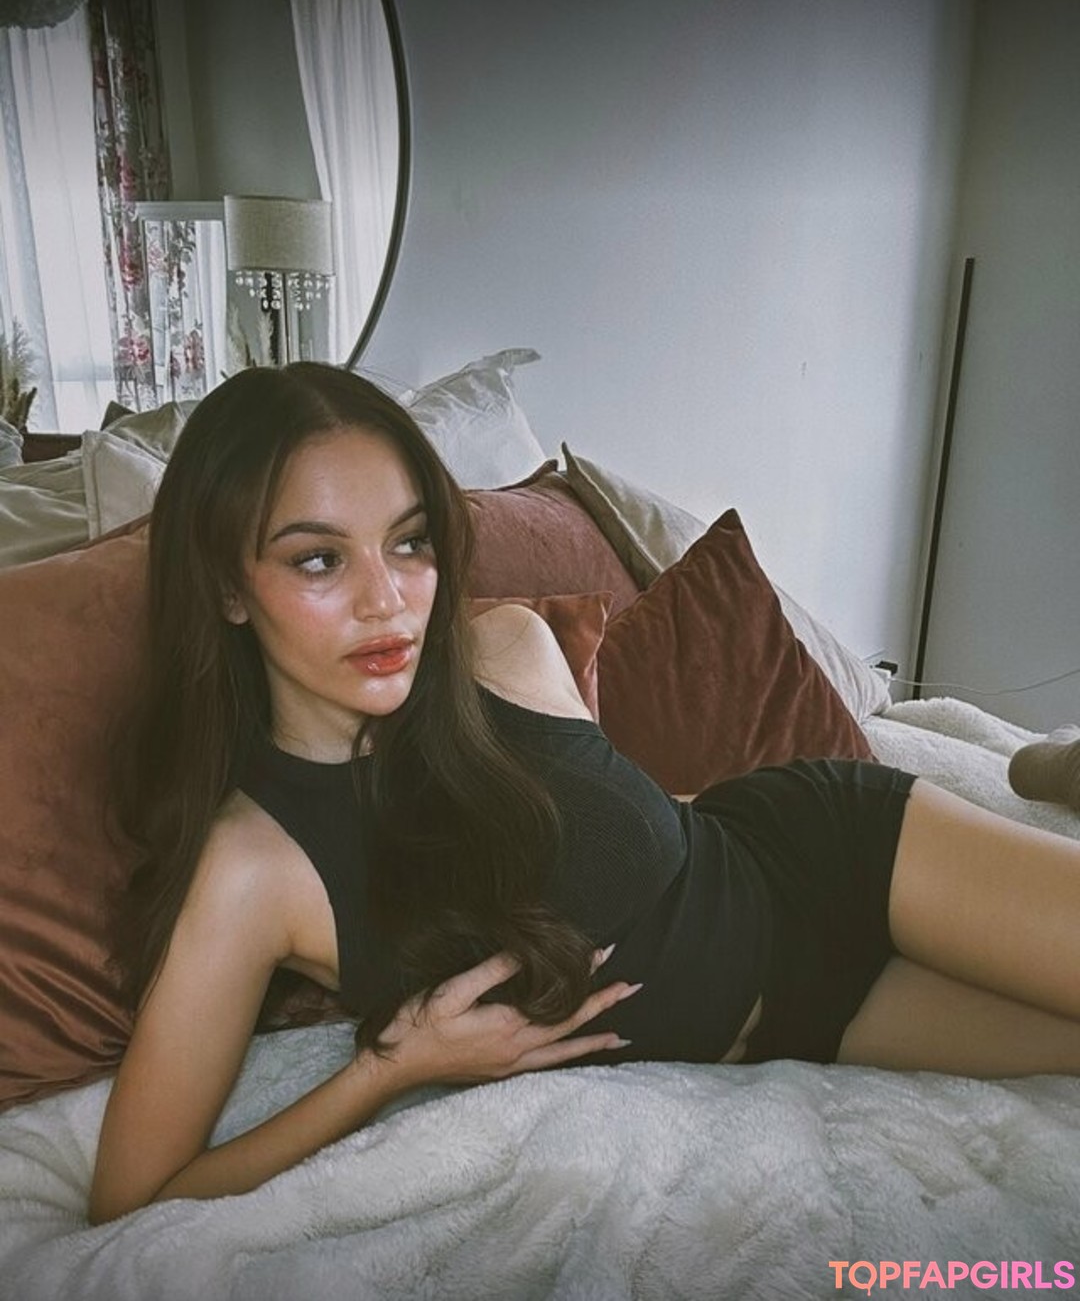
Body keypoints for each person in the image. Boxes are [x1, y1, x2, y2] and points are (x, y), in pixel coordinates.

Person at [89, 363, 1080, 1225]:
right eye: (319, 559)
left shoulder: (504, 648)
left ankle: (1055, 769)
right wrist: (393, 1066)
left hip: (832, 853)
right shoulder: (249, 870)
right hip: (806, 1022)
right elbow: (131, 1197)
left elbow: (636, 810)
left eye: (410, 542)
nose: (386, 598)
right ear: (227, 587)